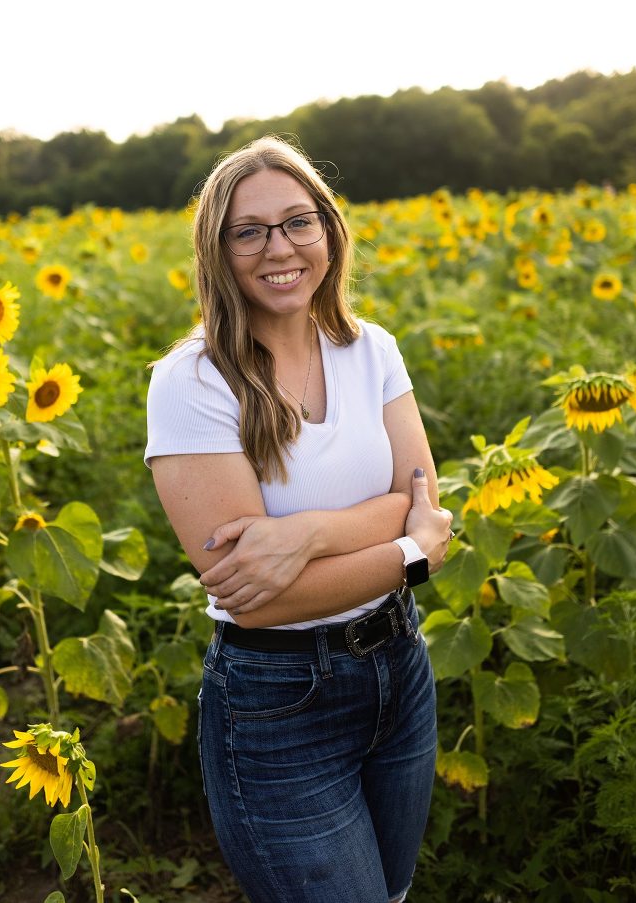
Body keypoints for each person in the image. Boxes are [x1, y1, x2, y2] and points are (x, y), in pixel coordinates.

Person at [145, 134, 452, 903]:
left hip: (401, 670)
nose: (278, 247)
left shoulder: (370, 348)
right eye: (248, 230)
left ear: (328, 230)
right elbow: (262, 595)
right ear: (218, 250)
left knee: (393, 892)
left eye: (297, 222)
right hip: (280, 701)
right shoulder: (192, 380)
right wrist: (412, 553)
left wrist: (305, 534)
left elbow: (418, 495)